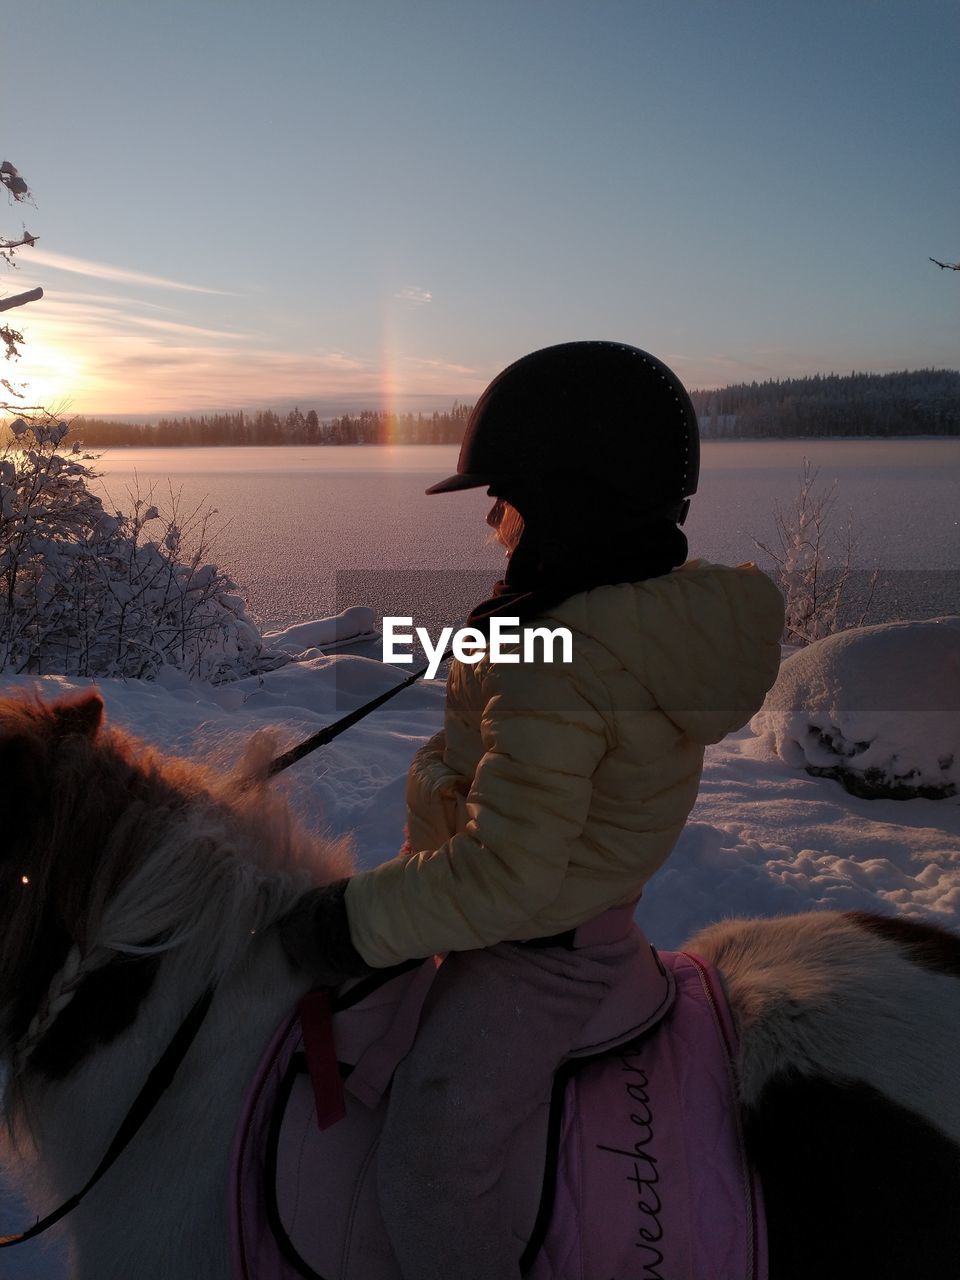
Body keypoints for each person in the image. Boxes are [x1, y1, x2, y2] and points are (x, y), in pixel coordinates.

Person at [279, 341, 785, 1280]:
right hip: (546, 919)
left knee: (432, 1171)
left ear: (572, 511)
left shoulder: (568, 663)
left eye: (508, 506)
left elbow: (507, 874)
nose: (496, 525)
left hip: (535, 957)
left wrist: (349, 924)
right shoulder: (603, 626)